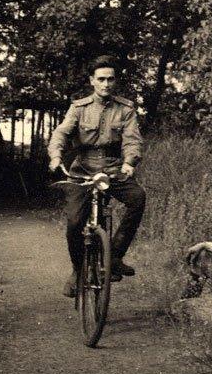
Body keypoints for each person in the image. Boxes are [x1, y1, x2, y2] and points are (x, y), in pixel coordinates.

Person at [48, 55, 146, 298]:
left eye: (110, 79)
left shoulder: (126, 109)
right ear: (92, 81)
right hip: (82, 169)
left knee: (138, 198)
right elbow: (61, 133)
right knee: (74, 223)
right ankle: (77, 270)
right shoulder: (79, 108)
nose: (106, 84)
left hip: (112, 169)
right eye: (101, 79)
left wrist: (129, 162)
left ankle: (114, 256)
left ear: (115, 81)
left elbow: (133, 141)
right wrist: (55, 156)